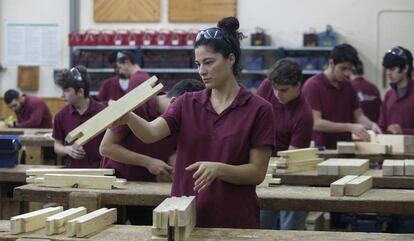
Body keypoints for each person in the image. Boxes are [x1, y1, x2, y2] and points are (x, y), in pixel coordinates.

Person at [113, 17, 275, 229]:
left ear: (231, 59)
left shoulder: (259, 109)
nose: (202, 71)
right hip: (185, 214)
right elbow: (151, 133)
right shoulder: (186, 102)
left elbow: (256, 173)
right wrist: (129, 117)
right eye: (198, 64)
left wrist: (218, 169)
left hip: (233, 218)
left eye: (209, 62)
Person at [99, 79, 205, 225]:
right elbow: (106, 148)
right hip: (118, 182)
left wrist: (178, 169)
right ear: (175, 102)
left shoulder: (184, 117)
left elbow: (173, 151)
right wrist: (147, 162)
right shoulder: (135, 106)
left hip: (146, 184)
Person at [256, 59, 313, 230]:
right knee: (262, 220)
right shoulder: (267, 86)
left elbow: (290, 160)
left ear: (298, 86)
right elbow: (251, 116)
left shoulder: (304, 115)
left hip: (291, 169)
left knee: (291, 223)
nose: (278, 94)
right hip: (264, 165)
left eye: (284, 90)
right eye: (275, 89)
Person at [302, 44, 381, 150]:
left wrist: (372, 125)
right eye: (343, 68)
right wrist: (350, 127)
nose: (347, 73)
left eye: (350, 69)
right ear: (331, 63)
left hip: (345, 149)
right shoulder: (313, 86)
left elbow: (359, 116)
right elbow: (316, 123)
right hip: (321, 150)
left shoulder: (348, 86)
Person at [52, 66, 105, 167]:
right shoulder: (61, 115)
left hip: (100, 171)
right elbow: (57, 145)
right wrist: (67, 149)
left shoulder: (103, 112)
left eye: (66, 90)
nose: (62, 96)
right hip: (73, 171)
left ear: (80, 92)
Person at [379, 46, 414, 134]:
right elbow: (382, 126)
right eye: (387, 69)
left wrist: (404, 132)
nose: (388, 73)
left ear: (405, 68)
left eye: (393, 69)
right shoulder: (389, 95)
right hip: (391, 147)